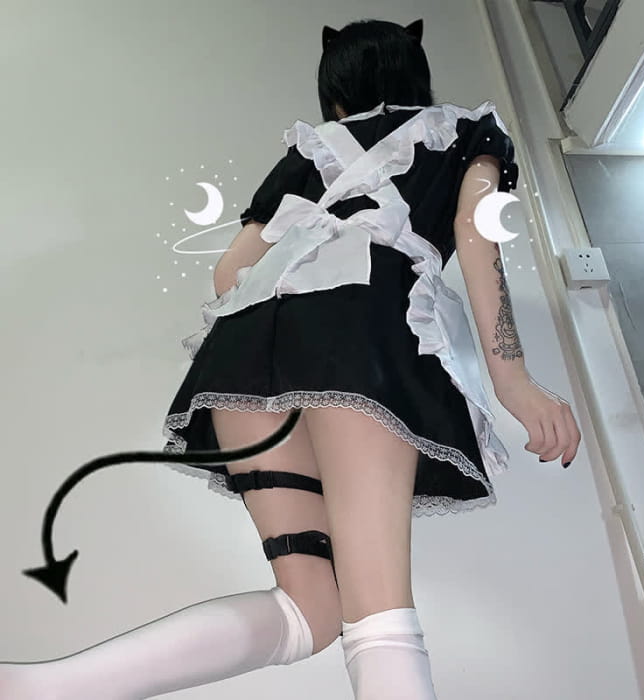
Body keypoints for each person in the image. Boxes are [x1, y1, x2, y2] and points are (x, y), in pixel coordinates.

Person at [0, 17, 581, 700]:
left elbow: (229, 273)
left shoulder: (314, 148)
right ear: (415, 73)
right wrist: (513, 381)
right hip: (361, 348)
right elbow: (476, 234)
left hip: (247, 358)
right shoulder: (463, 132)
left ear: (334, 93)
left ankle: (39, 690)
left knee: (312, 609)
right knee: (379, 614)